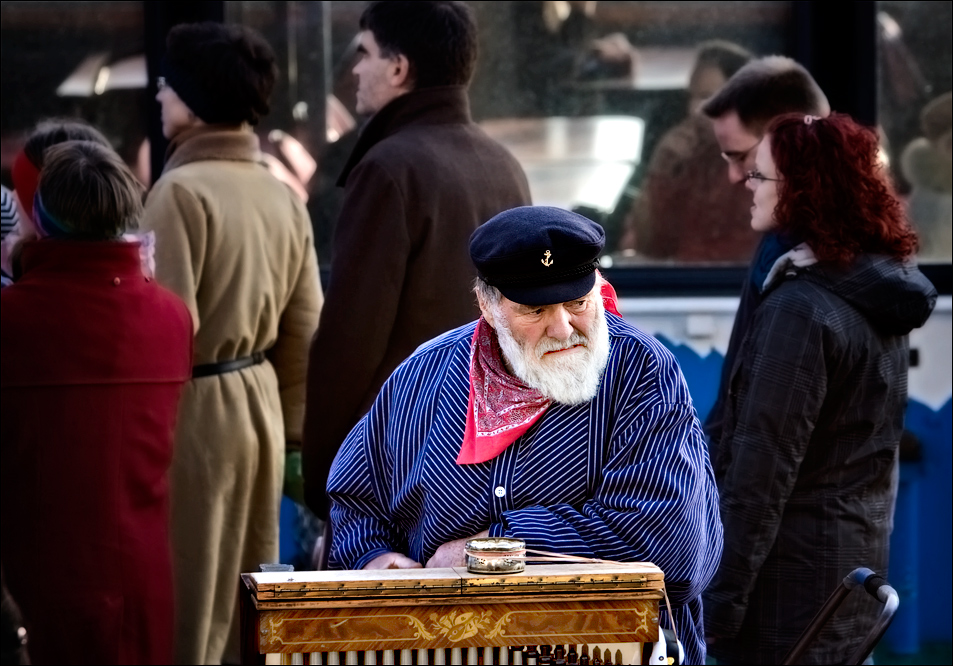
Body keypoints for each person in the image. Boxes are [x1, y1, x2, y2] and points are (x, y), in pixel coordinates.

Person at [327, 205, 722, 665]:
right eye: (534, 310)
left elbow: (670, 544)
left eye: (577, 302)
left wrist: (490, 550)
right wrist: (375, 558)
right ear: (488, 306)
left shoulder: (641, 372)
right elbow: (356, 498)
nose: (562, 328)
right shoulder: (424, 374)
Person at [703, 113, 937, 663]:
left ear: (804, 191)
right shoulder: (873, 291)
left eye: (761, 176)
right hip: (846, 575)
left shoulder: (800, 309)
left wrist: (718, 606)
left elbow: (762, 476)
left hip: (788, 593)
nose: (748, 187)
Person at [303, 1, 531, 523]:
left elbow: (350, 343)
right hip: (490, 454)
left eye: (364, 54)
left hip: (398, 460)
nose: (356, 70)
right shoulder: (504, 166)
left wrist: (326, 482)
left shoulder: (388, 169)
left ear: (399, 68)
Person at [139, 22, 323, 664]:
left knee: (190, 605)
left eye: (166, 87)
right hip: (260, 410)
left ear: (190, 103)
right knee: (250, 600)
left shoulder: (178, 193)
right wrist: (297, 438)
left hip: (194, 413)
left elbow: (163, 331)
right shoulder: (281, 197)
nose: (158, 98)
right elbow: (305, 331)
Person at [1, 140, 193, 664]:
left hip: (33, 577)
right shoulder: (171, 317)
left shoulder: (12, 320)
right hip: (143, 576)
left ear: (40, 216)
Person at [698, 56, 830, 459]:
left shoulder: (811, 258)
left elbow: (770, 432)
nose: (736, 177)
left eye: (740, 157)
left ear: (787, 142)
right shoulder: (786, 236)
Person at [620, 40, 754, 260]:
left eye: (707, 97)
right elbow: (649, 244)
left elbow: (733, 261)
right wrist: (661, 166)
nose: (694, 111)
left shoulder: (755, 171)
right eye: (692, 97)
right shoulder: (695, 157)